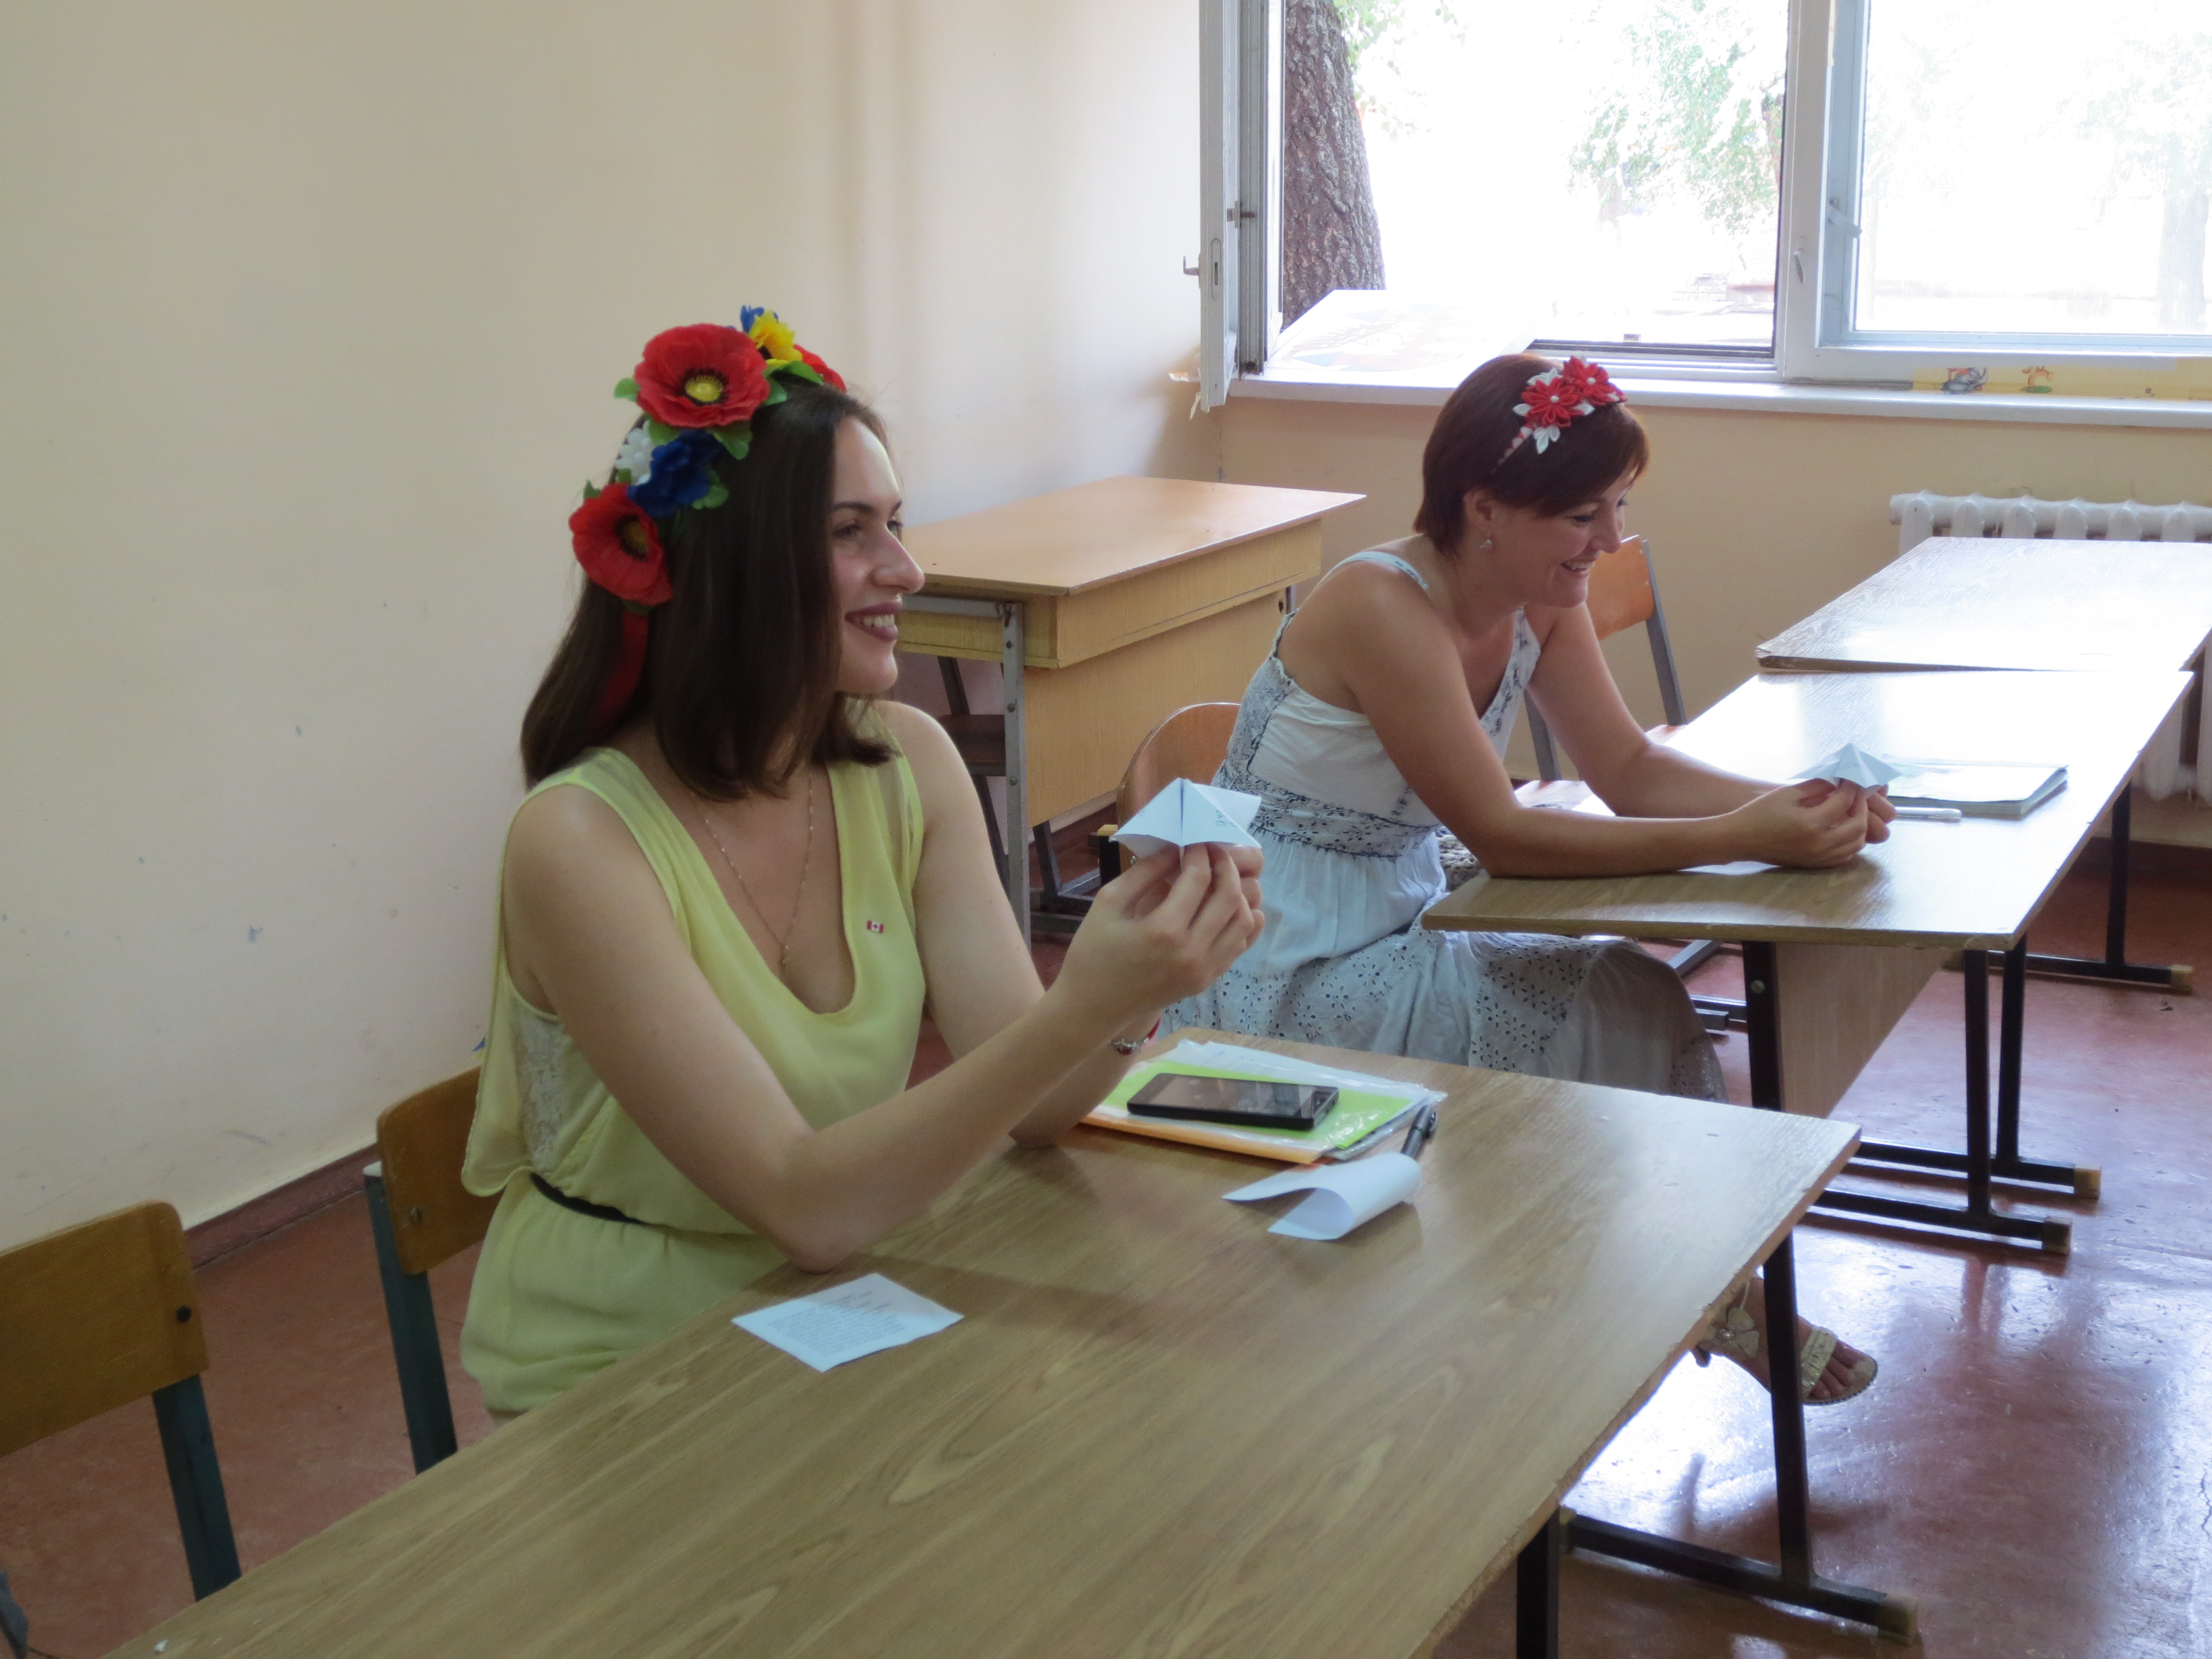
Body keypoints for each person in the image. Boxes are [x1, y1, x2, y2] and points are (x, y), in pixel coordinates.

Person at [458, 312, 1263, 1416]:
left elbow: (1037, 1107)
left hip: (836, 1309)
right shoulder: (578, 841)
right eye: (850, 533)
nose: (907, 569)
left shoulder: (905, 763)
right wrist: (1082, 1005)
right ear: (735, 566)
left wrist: (1136, 985)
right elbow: (804, 1205)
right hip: (626, 1363)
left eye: (896, 522)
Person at [1166, 352, 1887, 1404]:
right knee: (1620, 996)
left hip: (1399, 907)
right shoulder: (1379, 602)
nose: (1610, 541)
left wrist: (1803, 802)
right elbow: (1504, 835)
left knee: (1618, 996)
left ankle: (1668, 1279)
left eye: (1620, 507)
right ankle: (1672, 1285)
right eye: (1583, 516)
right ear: (1485, 508)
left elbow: (1628, 768)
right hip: (1277, 953)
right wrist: (1745, 833)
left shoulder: (1538, 597)